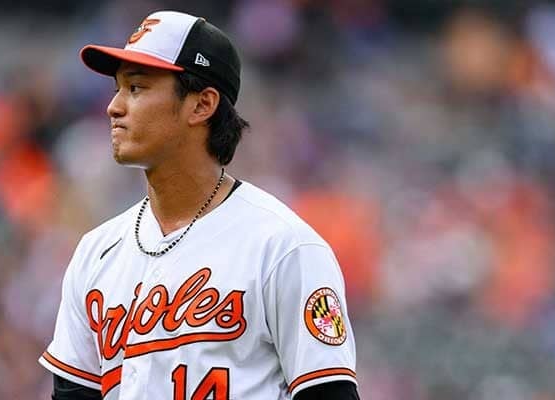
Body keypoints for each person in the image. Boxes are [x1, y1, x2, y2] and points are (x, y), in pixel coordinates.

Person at [39, 10, 359, 400]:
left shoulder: (283, 247)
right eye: (118, 88)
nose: (114, 107)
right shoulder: (96, 252)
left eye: (136, 88)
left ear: (202, 105)